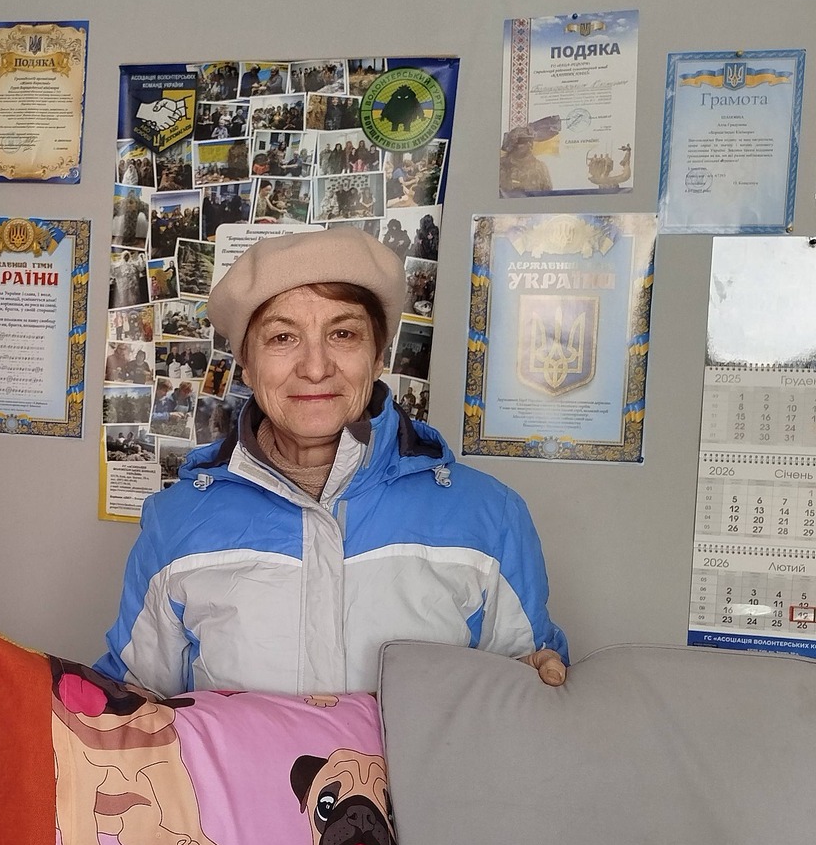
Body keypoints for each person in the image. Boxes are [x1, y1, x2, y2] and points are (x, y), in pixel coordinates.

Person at [98, 229, 567, 695]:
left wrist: (533, 684)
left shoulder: (489, 516)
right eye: (282, 337)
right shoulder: (175, 523)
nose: (316, 367)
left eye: (343, 334)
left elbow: (521, 701)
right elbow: (135, 712)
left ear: (378, 356)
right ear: (247, 365)